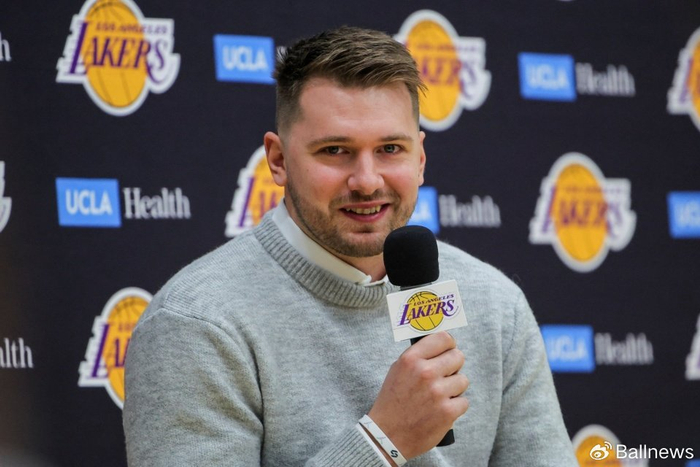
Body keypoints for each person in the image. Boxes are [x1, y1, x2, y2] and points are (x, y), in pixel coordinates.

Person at [123, 26, 577, 466]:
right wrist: (382, 442)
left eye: (390, 149)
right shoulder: (197, 321)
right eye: (335, 150)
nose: (366, 181)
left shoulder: (496, 305)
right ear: (278, 160)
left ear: (420, 159)